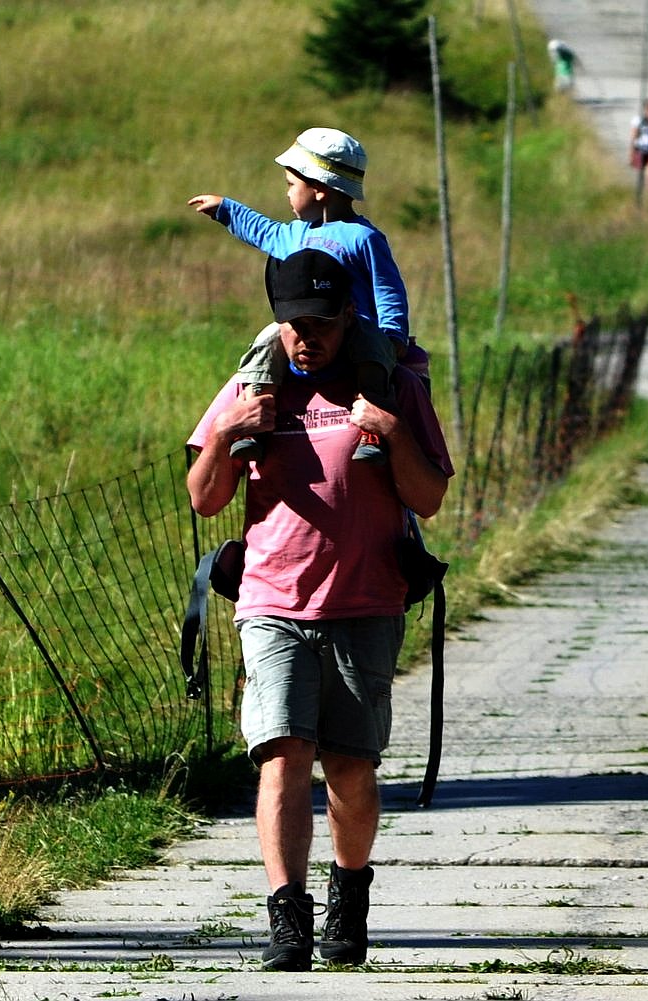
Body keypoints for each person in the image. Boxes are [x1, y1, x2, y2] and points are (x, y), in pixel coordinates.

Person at [186, 249, 453, 972]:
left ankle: (349, 891)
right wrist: (223, 433)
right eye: (293, 324)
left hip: (365, 603)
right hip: (271, 601)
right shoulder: (251, 384)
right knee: (282, 753)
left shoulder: (389, 381)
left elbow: (428, 496)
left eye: (322, 323)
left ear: (346, 318)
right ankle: (287, 918)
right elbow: (204, 496)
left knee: (351, 770)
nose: (307, 337)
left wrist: (392, 431)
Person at [188, 127, 422, 465]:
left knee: (372, 353)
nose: (287, 194)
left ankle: (373, 428)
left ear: (320, 189)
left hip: (352, 329)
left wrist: (393, 335)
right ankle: (256, 417)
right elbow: (262, 230)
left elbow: (387, 289)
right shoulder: (293, 234)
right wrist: (227, 210)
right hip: (300, 331)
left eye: (291, 185)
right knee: (267, 340)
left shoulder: (363, 237)